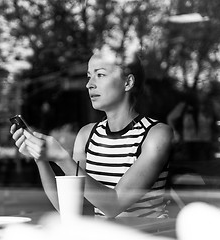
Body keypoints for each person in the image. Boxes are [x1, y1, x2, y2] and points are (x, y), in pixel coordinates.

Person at [10, 44, 173, 218]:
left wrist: (61, 157)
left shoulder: (156, 135)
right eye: (89, 76)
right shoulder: (87, 136)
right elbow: (70, 208)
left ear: (128, 82)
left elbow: (114, 204)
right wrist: (41, 158)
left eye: (100, 75)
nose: (89, 84)